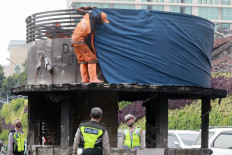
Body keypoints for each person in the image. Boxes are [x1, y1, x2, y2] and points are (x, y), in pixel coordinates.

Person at [72, 6, 110, 83]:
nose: (102, 23)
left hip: (73, 39)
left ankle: (85, 79)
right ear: (99, 20)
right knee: (92, 58)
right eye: (102, 21)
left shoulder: (88, 14)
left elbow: (78, 10)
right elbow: (90, 42)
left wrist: (89, 7)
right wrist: (94, 54)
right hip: (80, 40)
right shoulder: (91, 28)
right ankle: (93, 79)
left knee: (83, 60)